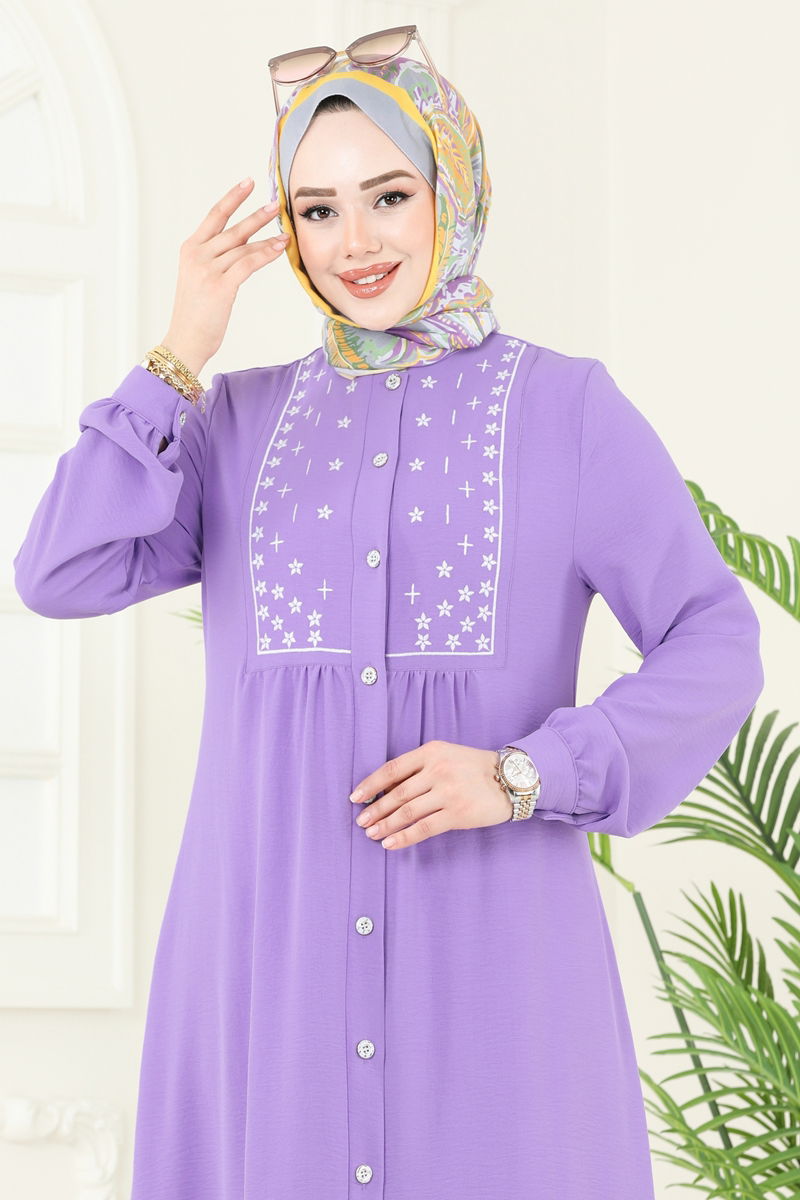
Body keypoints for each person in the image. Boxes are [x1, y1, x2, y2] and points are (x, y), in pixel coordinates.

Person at [13, 29, 764, 1200]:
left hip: (493, 985)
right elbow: (59, 570)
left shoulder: (565, 410)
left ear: (451, 188)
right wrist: (180, 349)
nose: (353, 242)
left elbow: (713, 639)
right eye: (316, 210)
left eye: (387, 195)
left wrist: (525, 772)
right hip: (269, 985)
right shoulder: (234, 425)